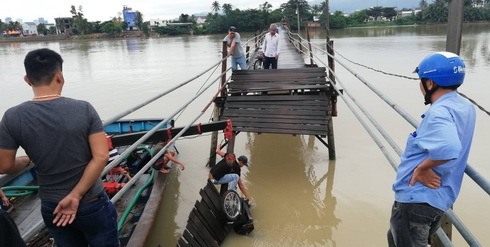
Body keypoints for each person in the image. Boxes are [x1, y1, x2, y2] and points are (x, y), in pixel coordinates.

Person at [0, 48, 119, 247]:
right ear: (60, 76)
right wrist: (76, 195)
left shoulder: (12, 116)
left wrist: (26, 160)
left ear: (27, 80)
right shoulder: (84, 108)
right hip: (91, 203)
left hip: (51, 206)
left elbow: (4, 166)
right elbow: (100, 157)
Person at [388, 52, 476, 247]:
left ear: (430, 83)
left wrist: (422, 169)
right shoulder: (464, 107)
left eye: (421, 80)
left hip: (416, 201)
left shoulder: (438, 112)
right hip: (436, 199)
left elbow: (449, 148)